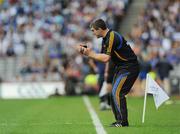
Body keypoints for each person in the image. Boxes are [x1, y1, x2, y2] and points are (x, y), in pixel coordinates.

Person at [76, 19, 139, 127]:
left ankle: (122, 122)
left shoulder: (112, 36)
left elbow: (105, 58)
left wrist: (89, 54)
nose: (92, 33)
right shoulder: (106, 38)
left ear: (100, 29)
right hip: (121, 67)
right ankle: (119, 120)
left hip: (129, 67)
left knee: (117, 93)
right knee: (112, 93)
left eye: (93, 30)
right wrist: (88, 51)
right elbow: (101, 56)